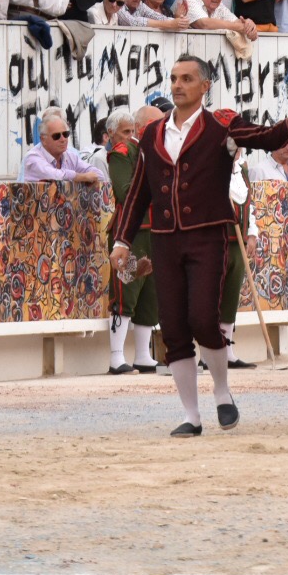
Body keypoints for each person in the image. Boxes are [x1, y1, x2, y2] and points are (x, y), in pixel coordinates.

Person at [110, 55, 288, 436]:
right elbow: (138, 192)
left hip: (207, 235)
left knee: (203, 318)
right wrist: (122, 239)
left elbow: (265, 137)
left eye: (186, 79)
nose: (177, 85)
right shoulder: (151, 135)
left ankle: (221, 391)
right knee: (174, 327)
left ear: (205, 87)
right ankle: (191, 415)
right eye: (173, 78)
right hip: (165, 240)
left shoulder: (222, 126)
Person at [107, 105, 165, 375]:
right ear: (144, 129)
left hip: (157, 230)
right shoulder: (124, 152)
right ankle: (116, 355)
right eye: (158, 124)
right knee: (126, 289)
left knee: (151, 294)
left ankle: (143, 355)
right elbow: (124, 191)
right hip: (132, 232)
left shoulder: (161, 151)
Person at [20, 110, 108, 184]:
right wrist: (82, 177)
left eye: (65, 134)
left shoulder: (70, 156)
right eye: (56, 136)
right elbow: (53, 176)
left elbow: (99, 175)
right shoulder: (33, 157)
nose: (63, 139)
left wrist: (83, 178)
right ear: (43, 139)